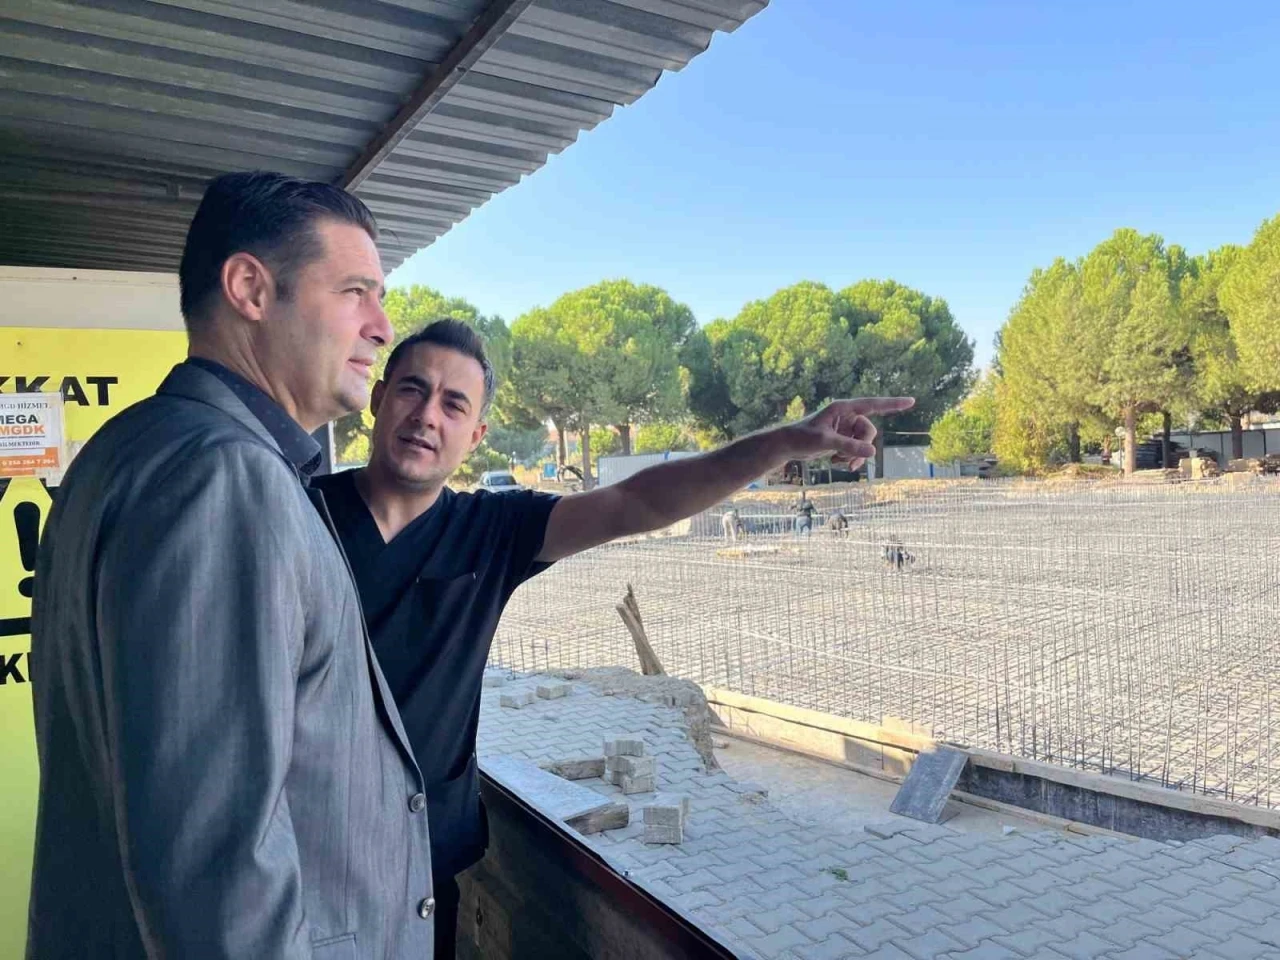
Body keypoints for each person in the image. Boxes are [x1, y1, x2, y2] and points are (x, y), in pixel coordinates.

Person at [315, 319, 913, 955]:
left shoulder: (491, 531)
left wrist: (786, 442)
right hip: (299, 860)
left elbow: (637, 502)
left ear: (476, 435)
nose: (427, 415)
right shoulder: (298, 512)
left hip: (421, 875)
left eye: (453, 404)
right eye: (412, 389)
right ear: (378, 399)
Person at [28, 172, 436, 959]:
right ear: (250, 288)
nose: (383, 327)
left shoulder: (125, 449)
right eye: (355, 292)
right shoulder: (224, 476)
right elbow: (218, 867)